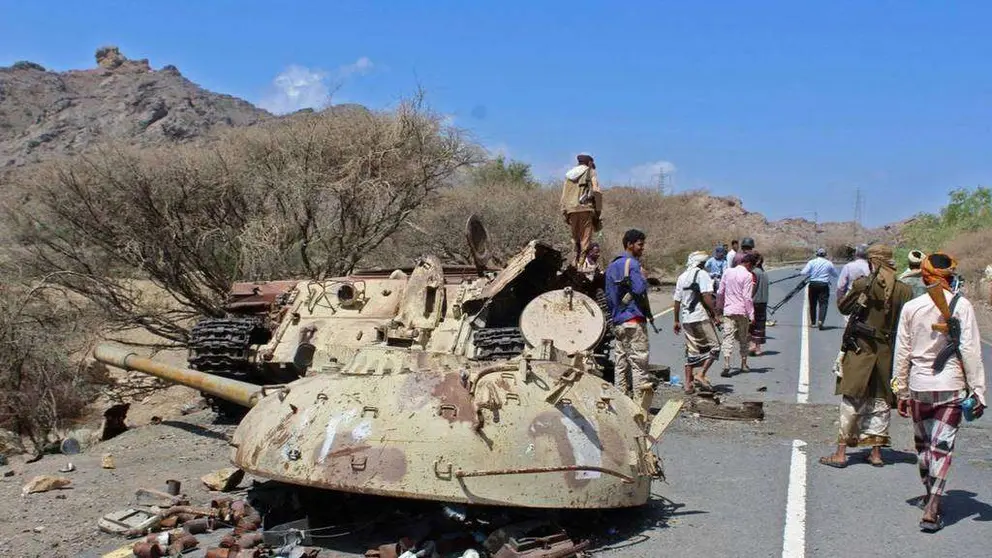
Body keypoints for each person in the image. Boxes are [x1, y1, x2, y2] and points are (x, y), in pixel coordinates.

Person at [893, 253, 987, 533]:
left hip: (919, 387)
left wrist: (899, 390)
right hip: (950, 388)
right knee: (941, 448)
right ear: (951, 276)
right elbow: (971, 351)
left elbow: (903, 351)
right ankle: (933, 501)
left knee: (924, 448)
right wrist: (979, 392)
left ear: (924, 277)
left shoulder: (912, 307)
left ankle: (931, 501)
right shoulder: (963, 306)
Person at [819, 245, 912, 470]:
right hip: (886, 351)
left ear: (873, 262)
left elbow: (843, 308)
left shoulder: (863, 285)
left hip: (860, 348)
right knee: (880, 400)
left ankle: (841, 453)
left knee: (852, 398)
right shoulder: (905, 290)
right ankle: (876, 453)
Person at [605, 229, 654, 414]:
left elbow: (609, 297)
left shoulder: (612, 266)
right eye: (640, 244)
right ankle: (638, 409)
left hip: (619, 321)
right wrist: (643, 276)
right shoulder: (632, 264)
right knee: (639, 364)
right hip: (634, 320)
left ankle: (620, 405)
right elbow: (640, 288)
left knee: (621, 364)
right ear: (630, 244)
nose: (642, 248)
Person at [673, 250, 721, 394]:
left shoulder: (682, 277)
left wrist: (676, 320)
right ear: (701, 263)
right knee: (715, 347)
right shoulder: (702, 275)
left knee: (692, 351)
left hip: (687, 319)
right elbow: (706, 296)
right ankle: (701, 374)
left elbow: (677, 300)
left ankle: (688, 385)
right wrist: (715, 313)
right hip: (700, 317)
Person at [716, 252, 756, 377]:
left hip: (728, 311)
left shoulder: (728, 272)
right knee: (743, 338)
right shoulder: (748, 276)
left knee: (728, 337)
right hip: (742, 311)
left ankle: (727, 364)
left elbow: (720, 291)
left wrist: (719, 307)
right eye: (752, 266)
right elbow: (747, 297)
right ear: (749, 264)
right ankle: (743, 365)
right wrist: (752, 314)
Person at [561, 153, 603, 267]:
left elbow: (564, 195)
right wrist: (598, 212)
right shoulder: (590, 172)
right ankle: (581, 265)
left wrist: (564, 212)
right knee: (585, 239)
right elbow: (597, 192)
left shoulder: (568, 175)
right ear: (589, 163)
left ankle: (574, 264)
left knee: (575, 239)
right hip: (586, 209)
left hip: (571, 210)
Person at [801, 247, 838, 330]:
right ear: (825, 255)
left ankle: (813, 322)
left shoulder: (811, 262)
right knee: (823, 304)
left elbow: (803, 272)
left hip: (813, 284)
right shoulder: (829, 263)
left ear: (816, 254)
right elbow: (835, 274)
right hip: (824, 285)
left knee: (812, 304)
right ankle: (821, 320)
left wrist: (808, 272)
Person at [750, 252, 769, 356]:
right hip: (763, 302)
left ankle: (752, 345)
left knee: (751, 324)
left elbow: (752, 289)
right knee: (760, 325)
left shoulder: (753, 273)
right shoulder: (764, 273)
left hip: (754, 301)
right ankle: (758, 349)